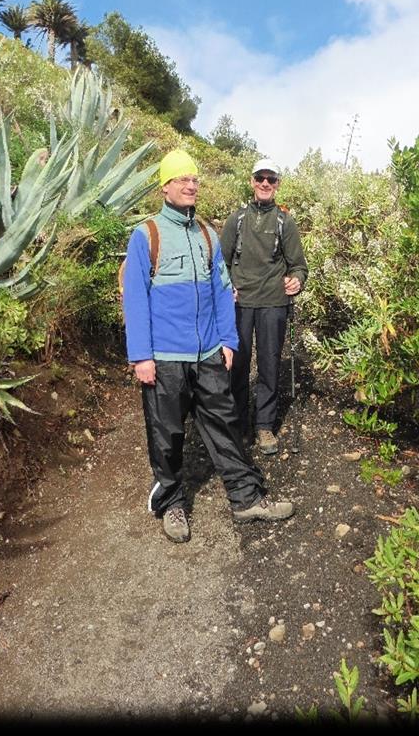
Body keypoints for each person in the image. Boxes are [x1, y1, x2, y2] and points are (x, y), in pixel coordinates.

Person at [122, 149, 295, 543]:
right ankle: (171, 503)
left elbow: (221, 291)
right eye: (181, 179)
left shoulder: (206, 234)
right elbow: (134, 298)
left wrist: (228, 340)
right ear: (164, 186)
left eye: (194, 179)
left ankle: (246, 498)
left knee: (226, 426)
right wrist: (141, 357)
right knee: (166, 434)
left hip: (207, 355)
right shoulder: (145, 234)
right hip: (164, 358)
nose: (190, 185)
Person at [220, 158, 309, 455]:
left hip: (273, 302)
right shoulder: (237, 219)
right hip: (240, 301)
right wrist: (226, 287)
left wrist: (296, 281)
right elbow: (221, 262)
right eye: (261, 178)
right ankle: (237, 423)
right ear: (252, 181)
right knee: (238, 365)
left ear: (278, 184)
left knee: (270, 365)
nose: (265, 184)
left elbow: (299, 266)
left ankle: (264, 426)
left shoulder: (286, 222)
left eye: (271, 179)